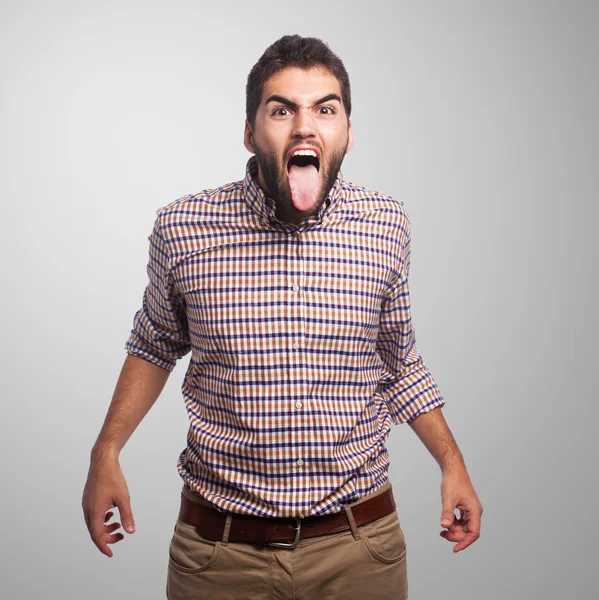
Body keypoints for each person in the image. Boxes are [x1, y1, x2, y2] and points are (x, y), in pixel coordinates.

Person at [82, 34, 482, 599]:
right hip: (218, 555)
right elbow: (153, 346)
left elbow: (399, 360)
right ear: (250, 132)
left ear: (347, 130)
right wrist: (107, 450)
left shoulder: (385, 225)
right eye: (281, 110)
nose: (304, 127)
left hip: (358, 549)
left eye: (325, 108)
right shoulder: (183, 228)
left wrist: (451, 462)